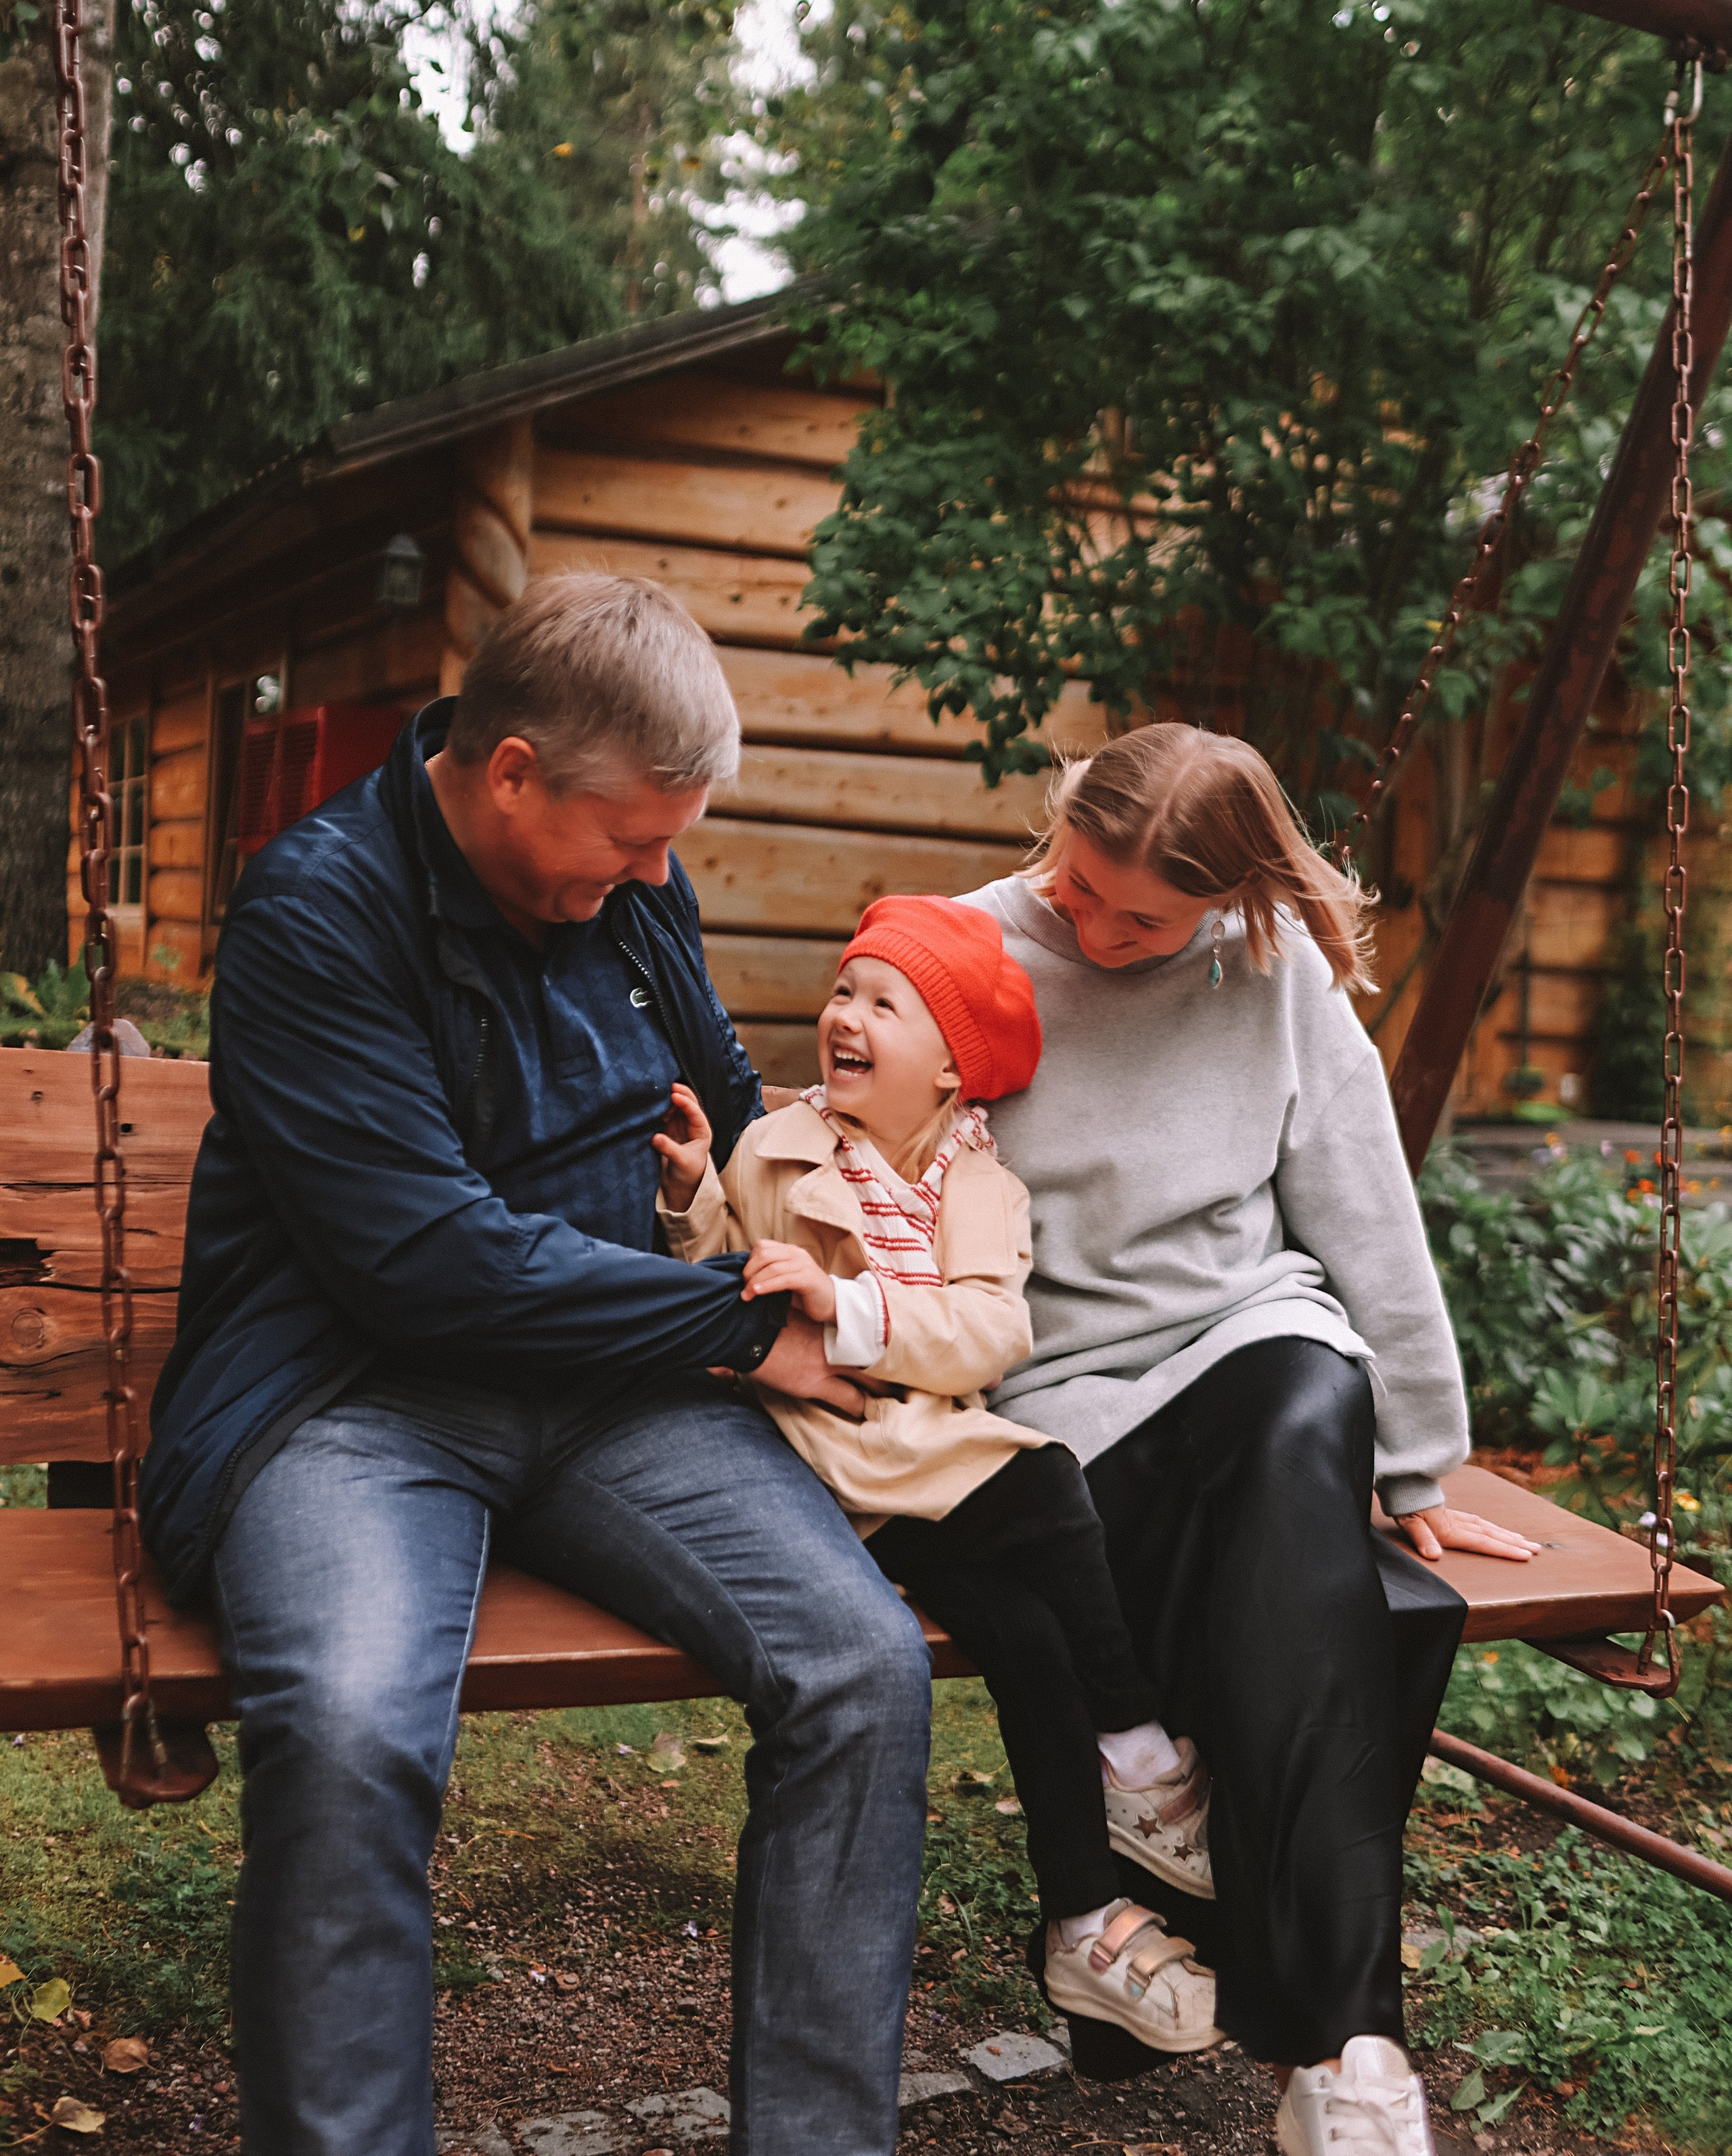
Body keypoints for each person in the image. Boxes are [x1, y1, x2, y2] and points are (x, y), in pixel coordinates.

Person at [140, 575, 934, 2156]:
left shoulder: (630, 891)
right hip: (348, 1395)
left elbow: (724, 1089)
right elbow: (426, 1266)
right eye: (630, 839)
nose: (654, 871)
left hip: (610, 1390)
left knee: (862, 1668)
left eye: (667, 844)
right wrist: (738, 1330)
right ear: (511, 772)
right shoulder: (318, 911)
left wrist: (851, 1242)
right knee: (352, 1728)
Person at [959, 724, 1540, 2156]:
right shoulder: (965, 949)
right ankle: (1345, 2039)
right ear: (1062, 821)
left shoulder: (1276, 973)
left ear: (1228, 899)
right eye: (1082, 887)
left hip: (1244, 1336)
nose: (1100, 931)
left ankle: (1347, 2057)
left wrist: (1415, 1465)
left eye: (1144, 919)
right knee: (1347, 1611)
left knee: (1303, 1409)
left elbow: (1364, 1214)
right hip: (1062, 1392)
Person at [656, 895, 1218, 2056]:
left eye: (885, 1004)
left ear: (952, 1069)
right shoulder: (778, 1146)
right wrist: (694, 1195)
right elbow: (719, 1276)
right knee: (1049, 1485)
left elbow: (987, 1337)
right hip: (822, 1462)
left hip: (919, 1476)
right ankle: (1138, 1749)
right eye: (844, 991)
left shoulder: (981, 1188)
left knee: (1029, 1639)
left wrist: (847, 1305)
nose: (846, 1016)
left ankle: (1082, 1921)